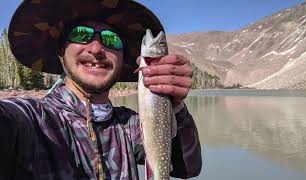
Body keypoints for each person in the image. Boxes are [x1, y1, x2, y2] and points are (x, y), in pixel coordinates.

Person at [0, 0, 202, 179]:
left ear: (123, 59)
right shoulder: (30, 120)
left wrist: (173, 107)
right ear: (61, 50)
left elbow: (188, 168)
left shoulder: (130, 126)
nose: (96, 49)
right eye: (81, 34)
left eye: (111, 39)